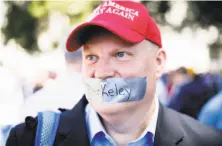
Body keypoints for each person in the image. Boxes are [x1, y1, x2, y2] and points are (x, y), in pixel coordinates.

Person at [6, 1, 222, 146]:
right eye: (91, 57)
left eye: (120, 54)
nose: (101, 72)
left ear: (158, 62)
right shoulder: (30, 138)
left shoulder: (207, 141)